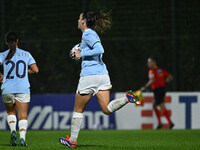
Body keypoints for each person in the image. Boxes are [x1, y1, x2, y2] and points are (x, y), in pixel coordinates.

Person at [59, 11, 142, 148]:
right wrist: (81, 49)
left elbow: (99, 49)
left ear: (84, 21)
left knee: (78, 110)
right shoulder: (89, 35)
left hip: (89, 76)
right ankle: (127, 98)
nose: (78, 20)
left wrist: (81, 53)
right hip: (102, 75)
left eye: (79, 18)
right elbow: (94, 48)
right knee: (107, 109)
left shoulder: (88, 33)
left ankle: (72, 141)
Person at [0, 32, 39, 146]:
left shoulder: (2, 55)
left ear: (6, 42)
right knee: (23, 115)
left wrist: (1, 76)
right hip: (23, 88)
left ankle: (13, 131)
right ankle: (22, 138)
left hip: (7, 88)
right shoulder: (26, 54)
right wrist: (24, 72)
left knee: (11, 112)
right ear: (17, 41)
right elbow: (36, 70)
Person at [141, 57, 174, 129]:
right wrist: (165, 82)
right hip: (162, 89)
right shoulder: (160, 70)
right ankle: (160, 123)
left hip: (157, 90)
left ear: (154, 62)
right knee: (154, 105)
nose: (148, 64)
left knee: (161, 105)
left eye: (149, 62)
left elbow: (152, 80)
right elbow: (170, 77)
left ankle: (169, 122)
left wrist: (145, 87)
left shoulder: (151, 71)